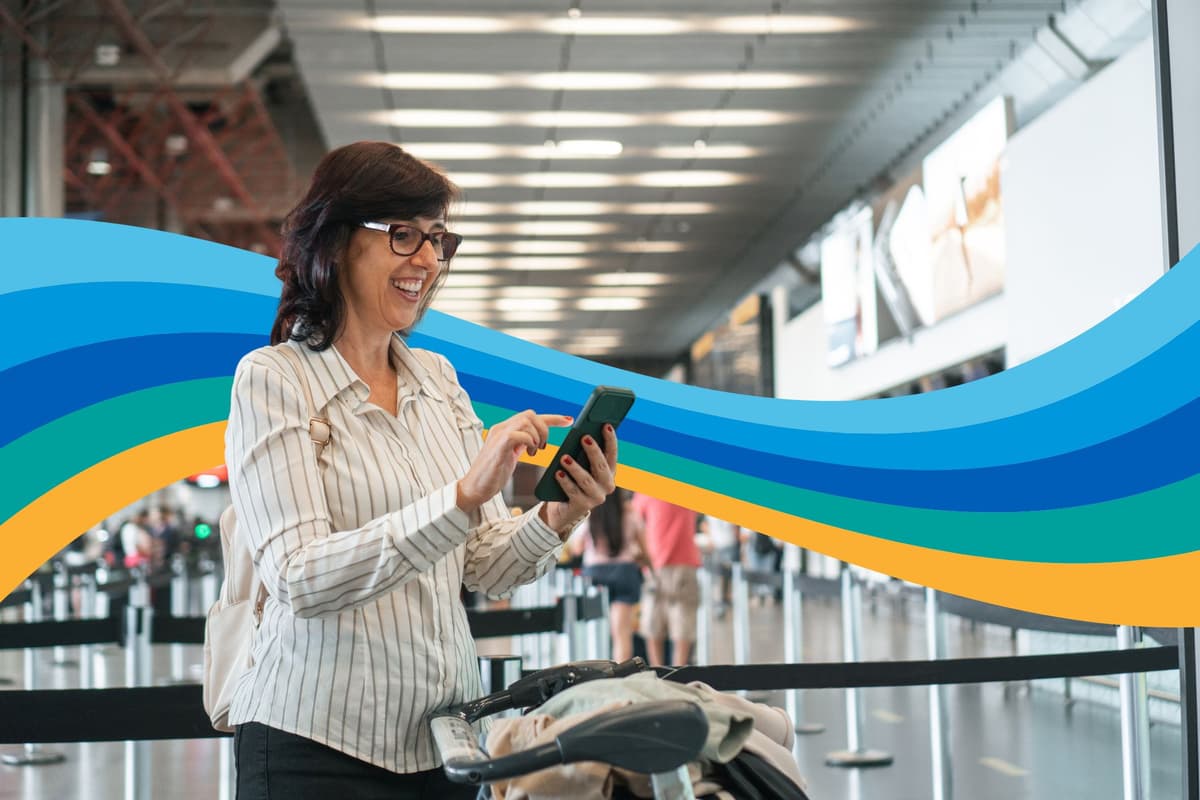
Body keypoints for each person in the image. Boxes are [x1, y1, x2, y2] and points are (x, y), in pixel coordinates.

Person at [224, 141, 620, 800]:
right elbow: (298, 577)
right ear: (337, 242)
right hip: (315, 749)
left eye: (438, 239)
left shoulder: (438, 381)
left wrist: (559, 512)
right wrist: (460, 498)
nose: (430, 260)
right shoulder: (273, 380)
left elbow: (484, 567)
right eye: (404, 234)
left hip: (445, 744)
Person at [570, 489, 647, 662]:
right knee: (622, 633)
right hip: (624, 573)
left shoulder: (589, 513)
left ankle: (596, 673)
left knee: (593, 632)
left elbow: (577, 548)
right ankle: (620, 674)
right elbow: (645, 549)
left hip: (594, 576)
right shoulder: (630, 512)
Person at [630, 493, 701, 667]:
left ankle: (660, 674)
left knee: (656, 627)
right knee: (679, 626)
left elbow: (634, 523)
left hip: (660, 566)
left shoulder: (645, 491)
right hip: (678, 565)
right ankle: (676, 675)